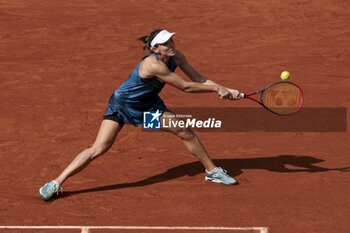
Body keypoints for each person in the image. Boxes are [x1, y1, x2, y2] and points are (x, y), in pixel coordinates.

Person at [39, 29, 241, 201]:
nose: (171, 44)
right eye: (165, 43)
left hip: (148, 107)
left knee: (183, 130)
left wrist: (224, 88)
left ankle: (212, 172)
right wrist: (217, 90)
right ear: (155, 49)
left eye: (171, 40)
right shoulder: (153, 65)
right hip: (122, 105)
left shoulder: (176, 56)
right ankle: (56, 183)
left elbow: (198, 78)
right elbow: (186, 87)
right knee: (99, 148)